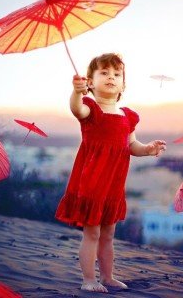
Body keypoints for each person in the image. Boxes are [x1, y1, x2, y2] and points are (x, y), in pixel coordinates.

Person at [55, 53, 166, 293]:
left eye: (116, 74)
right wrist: (76, 91)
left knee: (109, 233)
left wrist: (147, 149)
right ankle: (88, 279)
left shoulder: (127, 116)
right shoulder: (91, 109)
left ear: (123, 85)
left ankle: (107, 276)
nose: (111, 77)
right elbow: (76, 109)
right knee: (92, 232)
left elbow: (131, 146)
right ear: (91, 82)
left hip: (114, 185)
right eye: (104, 73)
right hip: (92, 182)